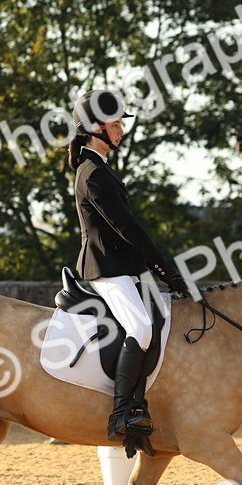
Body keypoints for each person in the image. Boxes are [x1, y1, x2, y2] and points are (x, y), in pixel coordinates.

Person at [67, 88, 190, 443]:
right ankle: (122, 411)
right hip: (106, 268)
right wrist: (166, 270)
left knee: (158, 322)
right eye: (116, 124)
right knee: (141, 327)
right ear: (95, 128)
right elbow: (127, 228)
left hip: (123, 267)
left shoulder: (101, 168)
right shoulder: (92, 173)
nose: (121, 131)